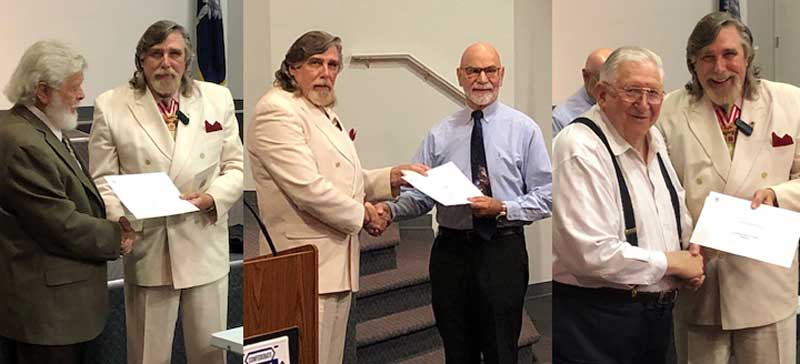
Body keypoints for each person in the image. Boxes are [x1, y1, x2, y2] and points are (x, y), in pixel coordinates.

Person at [246, 30, 427, 364]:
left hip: (335, 261)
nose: (326, 73)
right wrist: (364, 215)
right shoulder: (277, 111)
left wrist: (390, 177)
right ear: (291, 67)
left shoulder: (322, 110)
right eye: (315, 63)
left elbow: (342, 176)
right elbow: (309, 189)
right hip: (300, 264)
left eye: (332, 65)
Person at [376, 42, 552, 364]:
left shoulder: (524, 130)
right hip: (451, 254)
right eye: (473, 70)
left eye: (490, 70)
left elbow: (548, 195)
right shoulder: (440, 133)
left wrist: (502, 208)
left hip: (502, 251)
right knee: (457, 349)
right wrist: (389, 210)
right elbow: (420, 195)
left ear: (502, 75)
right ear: (460, 76)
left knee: (502, 349)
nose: (482, 78)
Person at [88, 20, 243, 364]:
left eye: (175, 54)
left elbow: (235, 167)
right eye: (155, 54)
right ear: (141, 60)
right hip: (149, 248)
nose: (165, 62)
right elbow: (102, 179)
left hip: (204, 243)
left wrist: (212, 198)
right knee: (148, 356)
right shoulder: (111, 105)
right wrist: (120, 219)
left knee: (210, 354)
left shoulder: (216, 98)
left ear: (187, 60)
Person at [658, 12, 800, 364]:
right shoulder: (668, 112)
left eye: (729, 54)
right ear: (693, 63)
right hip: (701, 279)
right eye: (707, 57)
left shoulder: (790, 103)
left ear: (748, 57)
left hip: (766, 280)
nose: (719, 68)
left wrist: (779, 195)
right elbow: (657, 191)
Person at [552, 46, 705, 363]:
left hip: (656, 318)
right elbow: (591, 254)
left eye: (654, 93)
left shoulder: (654, 137)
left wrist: (689, 251)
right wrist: (673, 263)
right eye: (633, 91)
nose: (644, 104)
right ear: (602, 93)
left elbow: (673, 206)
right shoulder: (578, 147)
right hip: (598, 320)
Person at [0, 40, 134, 364]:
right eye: (74, 87)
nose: (82, 96)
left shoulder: (40, 128)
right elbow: (60, 224)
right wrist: (118, 236)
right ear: (43, 92)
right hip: (47, 316)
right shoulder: (22, 143)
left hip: (63, 308)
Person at [552, 48, 613, 135]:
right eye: (602, 81)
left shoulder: (622, 108)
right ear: (586, 76)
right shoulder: (561, 118)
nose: (610, 89)